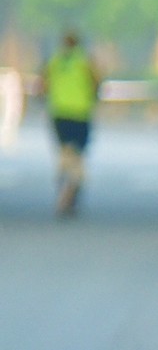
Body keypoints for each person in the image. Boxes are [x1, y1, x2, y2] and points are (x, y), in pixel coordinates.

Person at [43, 31, 98, 219]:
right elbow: (96, 83)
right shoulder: (85, 62)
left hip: (60, 114)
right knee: (78, 156)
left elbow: (44, 84)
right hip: (80, 114)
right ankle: (70, 191)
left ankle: (64, 181)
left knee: (66, 153)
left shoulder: (55, 61)